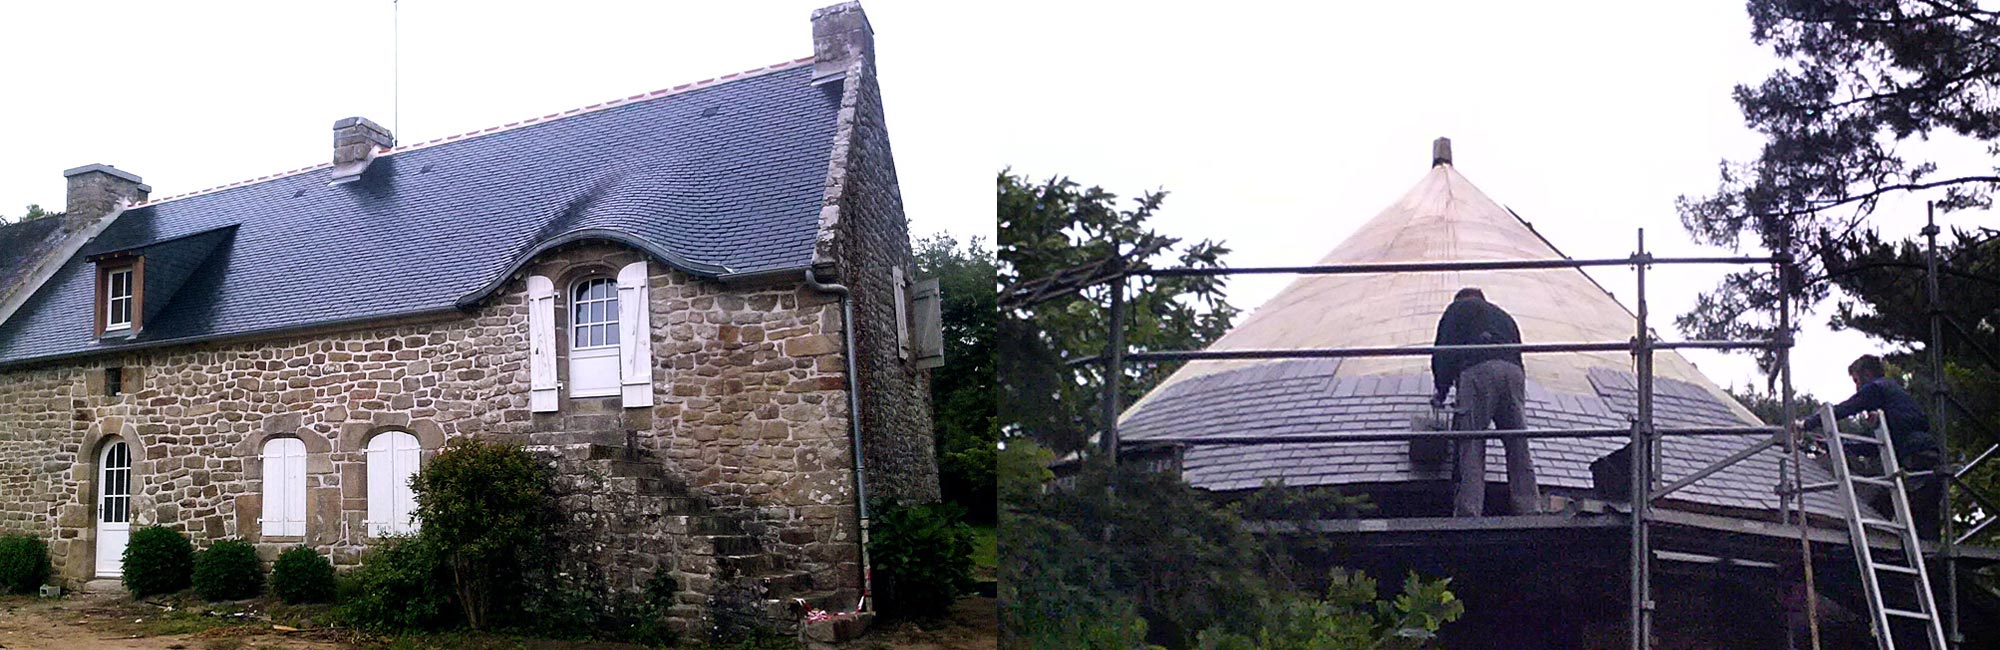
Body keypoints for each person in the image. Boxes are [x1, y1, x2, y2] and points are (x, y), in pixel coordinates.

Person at [1800, 355, 1945, 540]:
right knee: (1924, 523)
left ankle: (1871, 544)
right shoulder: (1896, 406)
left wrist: (1807, 424)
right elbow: (1875, 448)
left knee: (1877, 507)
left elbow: (1846, 408)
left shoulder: (1877, 388)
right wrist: (1838, 445)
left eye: (1857, 381)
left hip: (1914, 459)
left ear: (1867, 374)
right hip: (1926, 457)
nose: (1857, 387)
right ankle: (1931, 563)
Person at [1432, 287, 1540, 516]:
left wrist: (1441, 391)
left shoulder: (1458, 309)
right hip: (1513, 373)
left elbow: (1444, 350)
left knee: (1471, 441)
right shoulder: (1504, 316)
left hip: (1479, 369)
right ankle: (1530, 506)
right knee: (1517, 443)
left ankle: (1469, 510)